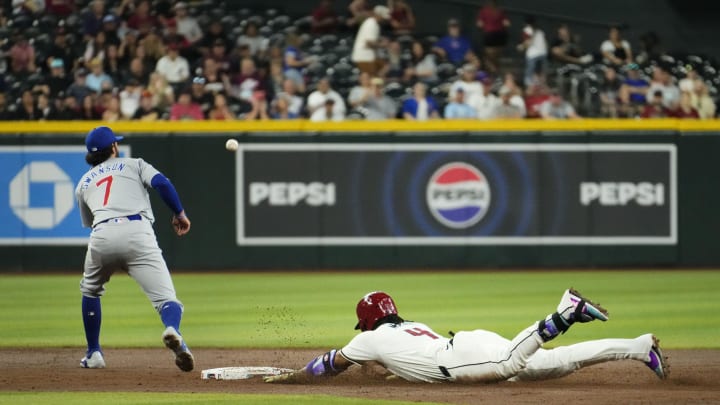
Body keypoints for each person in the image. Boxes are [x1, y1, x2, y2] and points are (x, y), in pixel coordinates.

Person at [265, 290, 667, 384]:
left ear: (366, 322)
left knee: (512, 363)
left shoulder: (367, 341)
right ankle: (637, 346)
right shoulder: (406, 327)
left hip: (461, 359)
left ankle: (564, 313)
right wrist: (388, 371)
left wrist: (292, 378)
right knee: (550, 365)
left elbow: (327, 366)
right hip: (469, 344)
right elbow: (404, 359)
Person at [75, 126, 193, 372]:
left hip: (102, 233)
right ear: (114, 148)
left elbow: (90, 222)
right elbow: (162, 183)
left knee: (90, 291)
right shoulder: (133, 164)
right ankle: (174, 332)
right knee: (167, 301)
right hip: (137, 231)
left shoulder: (83, 183)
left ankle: (93, 352)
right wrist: (179, 213)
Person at [351, 5, 390, 75]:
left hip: (367, 57)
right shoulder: (372, 24)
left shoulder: (371, 23)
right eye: (383, 17)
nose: (384, 19)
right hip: (364, 57)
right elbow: (368, 43)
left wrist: (380, 40)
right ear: (378, 15)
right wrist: (382, 45)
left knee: (385, 67)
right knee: (372, 79)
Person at [476, 0, 510, 73]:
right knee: (496, 56)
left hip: (489, 35)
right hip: (499, 35)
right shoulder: (500, 11)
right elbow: (506, 24)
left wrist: (485, 26)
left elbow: (479, 24)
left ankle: (493, 70)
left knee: (489, 56)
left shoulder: (484, 11)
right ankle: (495, 70)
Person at [518, 15, 548, 87]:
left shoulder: (527, 30)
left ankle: (528, 83)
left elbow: (528, 43)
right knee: (541, 71)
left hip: (534, 55)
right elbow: (546, 43)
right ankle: (541, 83)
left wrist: (521, 46)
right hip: (543, 53)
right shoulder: (540, 30)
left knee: (530, 73)